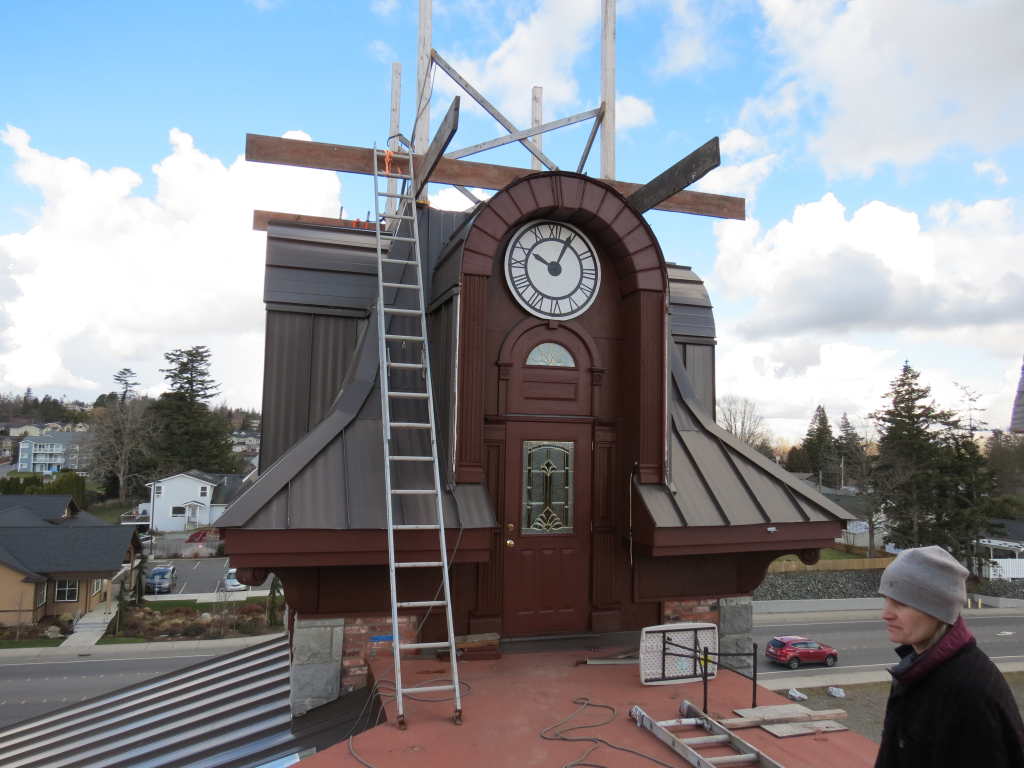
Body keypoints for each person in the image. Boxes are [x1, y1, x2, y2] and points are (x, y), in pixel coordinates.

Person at [876, 545, 1024, 767]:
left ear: (937, 610)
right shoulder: (917, 668)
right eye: (886, 600)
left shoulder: (967, 695)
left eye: (900, 604)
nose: (885, 614)